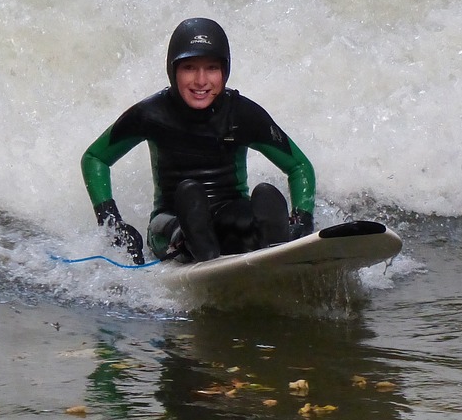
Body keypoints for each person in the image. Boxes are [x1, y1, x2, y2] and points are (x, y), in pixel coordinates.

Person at [81, 17, 316, 265]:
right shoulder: (151, 114)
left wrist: (303, 219)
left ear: (225, 71)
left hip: (229, 213)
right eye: (190, 67)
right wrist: (110, 220)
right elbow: (95, 158)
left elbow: (299, 166)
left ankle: (271, 242)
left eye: (212, 68)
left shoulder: (242, 114)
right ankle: (198, 246)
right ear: (173, 71)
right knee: (189, 204)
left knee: (255, 209)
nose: (201, 81)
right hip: (171, 220)